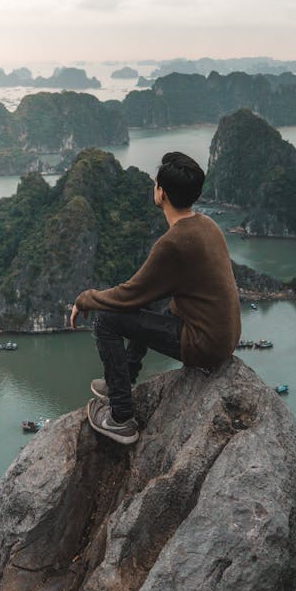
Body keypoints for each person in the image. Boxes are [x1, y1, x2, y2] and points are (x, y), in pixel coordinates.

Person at [70, 151, 241, 445]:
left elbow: (130, 294)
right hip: (219, 334)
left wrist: (85, 299)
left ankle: (120, 417)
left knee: (106, 320)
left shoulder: (173, 243)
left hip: (203, 343)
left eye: (155, 184)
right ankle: (120, 381)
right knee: (145, 302)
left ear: (161, 192)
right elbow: (144, 292)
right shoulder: (207, 224)